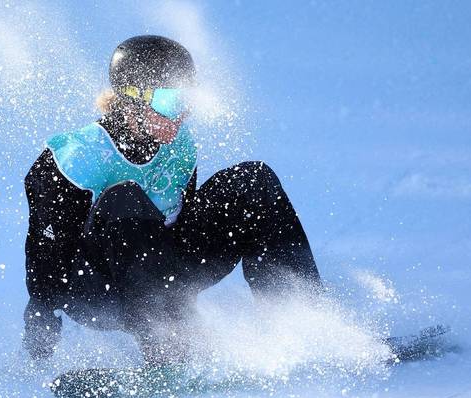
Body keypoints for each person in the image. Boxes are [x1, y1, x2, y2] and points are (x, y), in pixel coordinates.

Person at [22, 35, 321, 364]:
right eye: (169, 101)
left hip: (163, 276)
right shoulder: (76, 158)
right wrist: (40, 325)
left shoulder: (180, 147)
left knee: (252, 179)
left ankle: (302, 325)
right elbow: (46, 257)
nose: (180, 115)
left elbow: (181, 227)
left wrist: (179, 305)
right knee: (124, 196)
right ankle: (169, 346)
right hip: (99, 290)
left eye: (187, 100)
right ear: (131, 98)